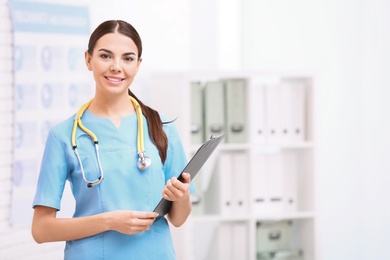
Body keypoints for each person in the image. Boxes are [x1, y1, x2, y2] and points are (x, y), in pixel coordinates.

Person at [31, 20, 195, 260]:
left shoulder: (162, 128)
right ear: (88, 60)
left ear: (138, 65)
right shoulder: (64, 136)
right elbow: (41, 229)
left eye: (128, 59)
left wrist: (182, 197)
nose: (116, 67)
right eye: (105, 56)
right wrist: (109, 221)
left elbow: (178, 219)